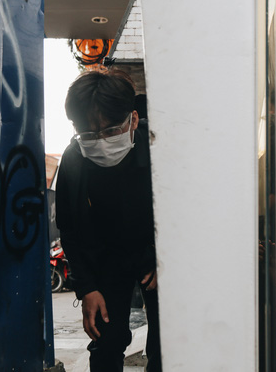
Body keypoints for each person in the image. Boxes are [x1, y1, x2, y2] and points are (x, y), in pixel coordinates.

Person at [55, 69, 161, 372]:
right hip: (106, 261)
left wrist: (167, 258)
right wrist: (87, 289)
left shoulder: (158, 146)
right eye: (89, 135)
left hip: (156, 255)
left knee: (167, 342)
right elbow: (70, 230)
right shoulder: (74, 159)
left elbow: (186, 208)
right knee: (106, 341)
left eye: (111, 131)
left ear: (133, 119)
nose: (100, 142)